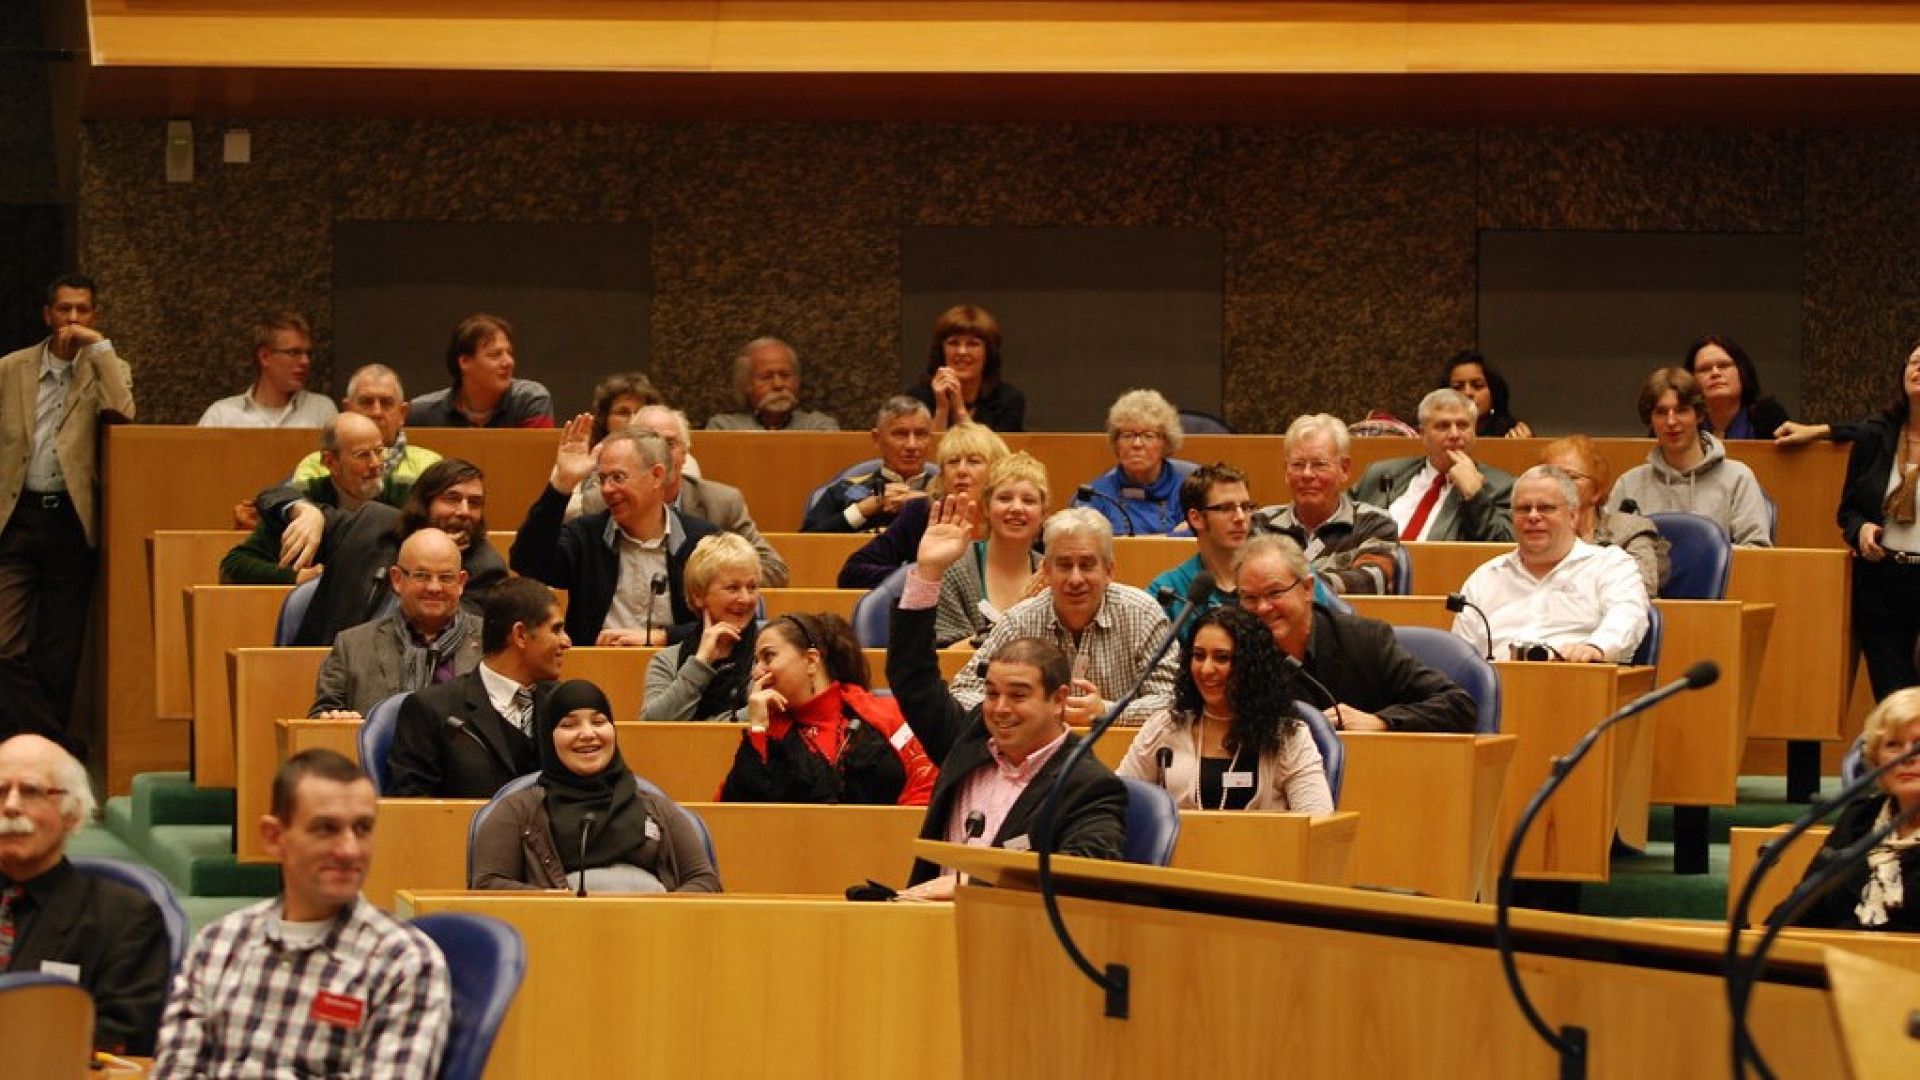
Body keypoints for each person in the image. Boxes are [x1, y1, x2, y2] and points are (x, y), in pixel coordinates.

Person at [152, 750, 450, 1079]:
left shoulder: (404, 962)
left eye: (362, 829)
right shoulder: (218, 944)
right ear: (274, 837)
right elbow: (174, 1071)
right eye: (326, 829)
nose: (349, 850)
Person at [888, 496, 1128, 899]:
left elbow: (1084, 875)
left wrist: (966, 886)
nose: (1000, 709)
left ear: (1058, 700)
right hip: (925, 928)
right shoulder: (969, 742)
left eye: (1018, 696)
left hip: (1015, 941)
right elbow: (912, 677)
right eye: (992, 693)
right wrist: (929, 572)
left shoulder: (1089, 785)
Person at [0, 273, 136, 750]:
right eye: (64, 310)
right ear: (47, 315)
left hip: (70, 522)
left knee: (59, 652)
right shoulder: (10, 369)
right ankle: (51, 741)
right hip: (15, 517)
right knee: (4, 643)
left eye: (83, 311)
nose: (73, 320)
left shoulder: (105, 366)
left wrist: (100, 349)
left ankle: (38, 751)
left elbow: (124, 412)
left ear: (94, 316)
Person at [0, 734, 169, 1055]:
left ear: (72, 814)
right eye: (0, 791)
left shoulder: (126, 917)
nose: (10, 806)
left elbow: (123, 1033)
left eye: (32, 792)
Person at [471, 680, 722, 894]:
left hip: (654, 936)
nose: (588, 733)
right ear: (548, 738)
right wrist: (557, 903)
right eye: (569, 725)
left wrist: (657, 910)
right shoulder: (517, 810)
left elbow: (705, 881)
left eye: (599, 722)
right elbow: (487, 884)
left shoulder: (654, 806)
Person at [947, 507, 1179, 727]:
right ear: (1046, 571)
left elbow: (1172, 700)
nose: (1075, 579)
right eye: (1064, 565)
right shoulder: (1020, 621)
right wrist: (1024, 711)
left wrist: (1108, 712)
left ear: (1109, 571)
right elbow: (962, 692)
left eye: (1087, 565)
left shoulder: (1143, 614)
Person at [511, 420, 721, 647]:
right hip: (596, 672)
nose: (607, 490)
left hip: (680, 671)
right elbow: (526, 562)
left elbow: (725, 620)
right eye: (602, 479)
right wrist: (562, 484)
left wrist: (664, 637)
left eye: (618, 478)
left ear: (656, 476)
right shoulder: (585, 536)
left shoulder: (702, 541)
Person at [1235, 533, 1475, 732]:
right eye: (1250, 598)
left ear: (1307, 589)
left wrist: (1380, 722)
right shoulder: (1235, 650)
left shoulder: (1363, 642)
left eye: (1275, 593)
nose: (1262, 608)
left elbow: (1457, 705)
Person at [261, 457, 508, 646]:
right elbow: (271, 496)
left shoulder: (485, 569)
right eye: (452, 499)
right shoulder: (370, 525)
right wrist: (305, 511)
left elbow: (448, 635)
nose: (464, 511)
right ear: (423, 503)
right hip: (325, 671)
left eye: (474, 503)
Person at [1117, 606, 1332, 813]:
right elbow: (1118, 803)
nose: (1206, 669)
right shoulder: (1164, 727)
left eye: (1222, 658)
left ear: (1251, 666)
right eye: (1199, 656)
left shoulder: (1288, 737)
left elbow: (1316, 822)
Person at [719, 612, 938, 805]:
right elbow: (738, 813)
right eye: (755, 662)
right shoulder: (767, 730)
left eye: (768, 657)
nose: (757, 673)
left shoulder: (885, 714)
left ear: (811, 661)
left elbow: (926, 784)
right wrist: (757, 728)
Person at [385, 578, 566, 798]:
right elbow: (411, 808)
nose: (566, 641)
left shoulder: (564, 704)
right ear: (520, 635)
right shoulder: (431, 710)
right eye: (556, 630)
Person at [1454, 465, 1651, 663]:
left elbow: (1628, 616)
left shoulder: (1610, 565)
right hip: (1498, 686)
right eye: (1523, 509)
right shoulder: (1486, 577)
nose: (1533, 516)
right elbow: (1461, 656)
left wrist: (1595, 648)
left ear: (1573, 517)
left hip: (1579, 681)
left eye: (1546, 508)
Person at [1774, 688, 1920, 930]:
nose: (1907, 757)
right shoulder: (1860, 819)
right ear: (1876, 759)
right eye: (1893, 745)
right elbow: (1801, 910)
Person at [309, 528, 481, 719]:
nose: (434, 587)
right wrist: (336, 722)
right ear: (397, 579)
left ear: (461, 583)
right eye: (422, 576)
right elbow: (318, 722)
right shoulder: (351, 645)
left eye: (446, 577)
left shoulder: (493, 643)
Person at [220, 413, 402, 585]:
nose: (376, 464)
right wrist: (296, 576)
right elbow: (233, 566)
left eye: (379, 451)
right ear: (331, 462)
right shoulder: (306, 497)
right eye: (362, 455)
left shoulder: (402, 493)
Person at [1607, 366, 1773, 547]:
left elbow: (1757, 553)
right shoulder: (1628, 485)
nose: (1671, 421)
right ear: (1650, 420)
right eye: (1661, 412)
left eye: (1681, 410)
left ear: (1699, 414)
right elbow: (1605, 553)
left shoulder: (1738, 478)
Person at [1837, 342, 1920, 700]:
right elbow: (1848, 511)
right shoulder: (1875, 434)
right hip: (1882, 581)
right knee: (1894, 701)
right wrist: (1862, 530)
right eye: (1916, 362)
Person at [838, 421, 1009, 588]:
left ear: (996, 470)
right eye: (953, 462)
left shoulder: (1013, 514)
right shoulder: (920, 512)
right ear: (942, 475)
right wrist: (923, 575)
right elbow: (852, 572)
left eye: (973, 461)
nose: (961, 470)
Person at [632, 405, 789, 586]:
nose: (661, 454)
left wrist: (708, 584)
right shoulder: (607, 501)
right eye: (649, 444)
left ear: (685, 454)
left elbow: (775, 569)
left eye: (670, 444)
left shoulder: (721, 503)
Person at [1253, 413, 1402, 595]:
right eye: (1298, 465)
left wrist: (1292, 584)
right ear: (1286, 471)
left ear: (1344, 469)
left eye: (1319, 464)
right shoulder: (1261, 524)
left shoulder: (1373, 522)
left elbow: (1370, 581)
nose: (1307, 475)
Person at [1351, 388, 1515, 542]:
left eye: (1463, 425)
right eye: (1443, 426)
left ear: (1474, 433)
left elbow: (1503, 547)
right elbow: (1339, 520)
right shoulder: (1382, 473)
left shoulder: (1502, 487)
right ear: (1422, 434)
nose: (1454, 435)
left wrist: (1475, 496)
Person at [643, 533, 762, 721]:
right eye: (732, 588)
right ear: (698, 596)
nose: (746, 598)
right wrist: (700, 663)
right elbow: (652, 727)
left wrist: (697, 729)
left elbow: (769, 713)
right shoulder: (667, 661)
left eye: (752, 587)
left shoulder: (769, 652)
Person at [934, 451, 1048, 648]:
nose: (1016, 508)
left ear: (1043, 513)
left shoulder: (1051, 574)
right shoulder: (956, 569)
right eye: (1004, 498)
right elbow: (948, 655)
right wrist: (1017, 616)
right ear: (986, 508)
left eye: (1028, 501)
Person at [1540, 435, 1669, 598]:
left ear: (1596, 491)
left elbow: (1643, 586)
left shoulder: (1630, 531)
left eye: (1571, 477)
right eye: (1552, 477)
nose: (1559, 485)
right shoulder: (1535, 531)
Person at [289, 364, 442, 491]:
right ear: (348, 409)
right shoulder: (319, 464)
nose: (376, 412)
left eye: (386, 403)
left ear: (402, 414)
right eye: (367, 402)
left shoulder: (429, 465)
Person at [800, 396, 935, 534]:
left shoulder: (948, 490)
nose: (912, 445)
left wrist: (926, 503)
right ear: (877, 439)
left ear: (930, 440)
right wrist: (863, 509)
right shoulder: (843, 490)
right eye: (900, 434)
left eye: (920, 434)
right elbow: (805, 542)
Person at [1072, 388, 1193, 536]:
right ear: (1116, 443)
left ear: (1166, 443)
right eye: (1128, 435)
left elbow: (1203, 534)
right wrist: (1171, 536)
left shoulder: (1186, 491)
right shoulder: (1096, 495)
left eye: (1148, 436)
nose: (1137, 444)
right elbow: (1084, 541)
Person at [407, 313, 555, 428]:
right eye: (495, 355)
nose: (508, 362)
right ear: (465, 362)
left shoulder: (529, 400)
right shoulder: (420, 413)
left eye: (509, 353)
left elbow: (536, 462)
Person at [1147, 462, 1253, 620]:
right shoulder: (1167, 590)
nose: (1240, 517)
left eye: (1245, 507)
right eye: (1225, 508)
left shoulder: (1271, 579)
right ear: (1196, 519)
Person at [197, 310, 337, 428]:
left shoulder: (321, 411)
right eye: (293, 353)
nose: (305, 361)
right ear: (265, 357)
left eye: (308, 354)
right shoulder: (222, 416)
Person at [908, 304, 1025, 433]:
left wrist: (959, 409)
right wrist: (942, 409)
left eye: (972, 344)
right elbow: (927, 452)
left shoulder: (1008, 400)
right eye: (953, 343)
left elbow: (991, 452)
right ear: (941, 351)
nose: (962, 352)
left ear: (988, 353)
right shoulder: (917, 399)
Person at [707, 337, 840, 431]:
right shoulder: (724, 429)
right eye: (766, 377)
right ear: (746, 385)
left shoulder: (820, 428)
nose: (778, 384)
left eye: (785, 375)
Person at [1686, 335, 1791, 441]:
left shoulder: (1768, 415)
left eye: (1724, 366)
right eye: (1705, 369)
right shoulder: (1682, 421)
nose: (1715, 373)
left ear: (1742, 372)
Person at [1442, 350, 1531, 438]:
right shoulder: (1434, 436)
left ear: (1494, 392)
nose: (1467, 393)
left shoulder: (1514, 433)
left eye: (1477, 386)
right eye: (1458, 387)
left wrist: (1524, 447)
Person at [587, 371, 666, 445]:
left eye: (640, 412)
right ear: (604, 419)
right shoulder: (589, 458)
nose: (633, 419)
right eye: (623, 413)